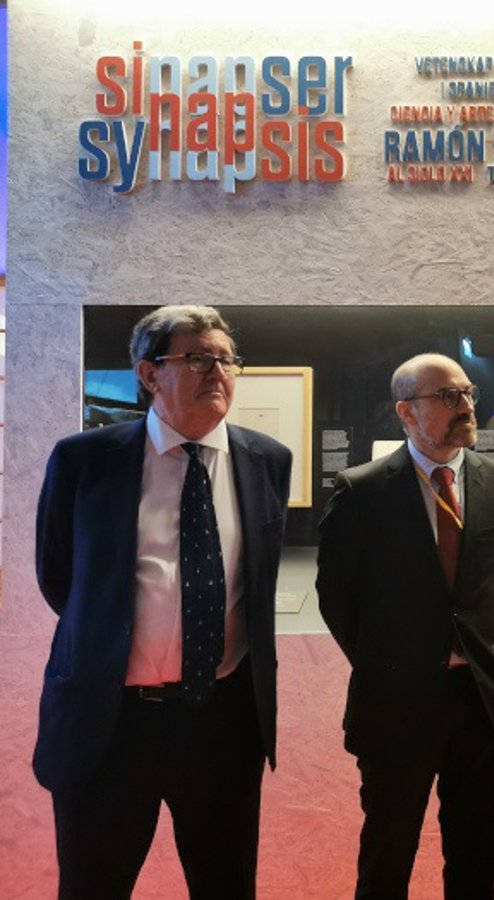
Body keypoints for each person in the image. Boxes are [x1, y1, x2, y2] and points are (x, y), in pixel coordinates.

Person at [34, 305, 292, 899]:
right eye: (198, 358)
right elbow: (60, 579)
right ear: (150, 374)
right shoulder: (84, 460)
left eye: (227, 360)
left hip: (222, 721)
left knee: (226, 886)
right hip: (111, 721)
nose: (218, 372)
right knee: (93, 886)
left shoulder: (267, 461)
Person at [317, 353, 494, 900]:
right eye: (448, 397)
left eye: (468, 394)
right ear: (406, 412)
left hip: (481, 700)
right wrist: (396, 661)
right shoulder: (362, 490)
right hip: (396, 704)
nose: (466, 407)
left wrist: (466, 646)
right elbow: (337, 599)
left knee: (475, 861)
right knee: (387, 858)